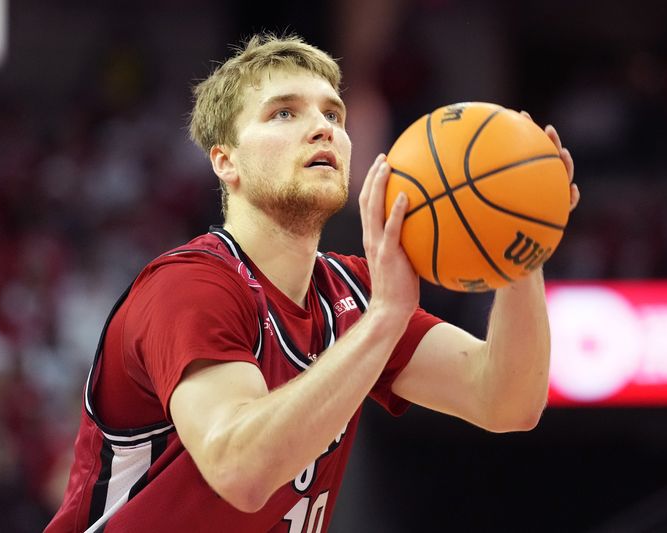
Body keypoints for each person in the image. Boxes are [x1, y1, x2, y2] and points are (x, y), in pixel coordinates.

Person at [45, 33, 579, 533]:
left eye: (333, 113)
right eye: (283, 113)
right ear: (226, 162)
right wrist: (386, 320)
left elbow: (507, 400)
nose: (323, 127)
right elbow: (241, 471)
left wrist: (520, 241)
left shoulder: (354, 291)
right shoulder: (189, 286)